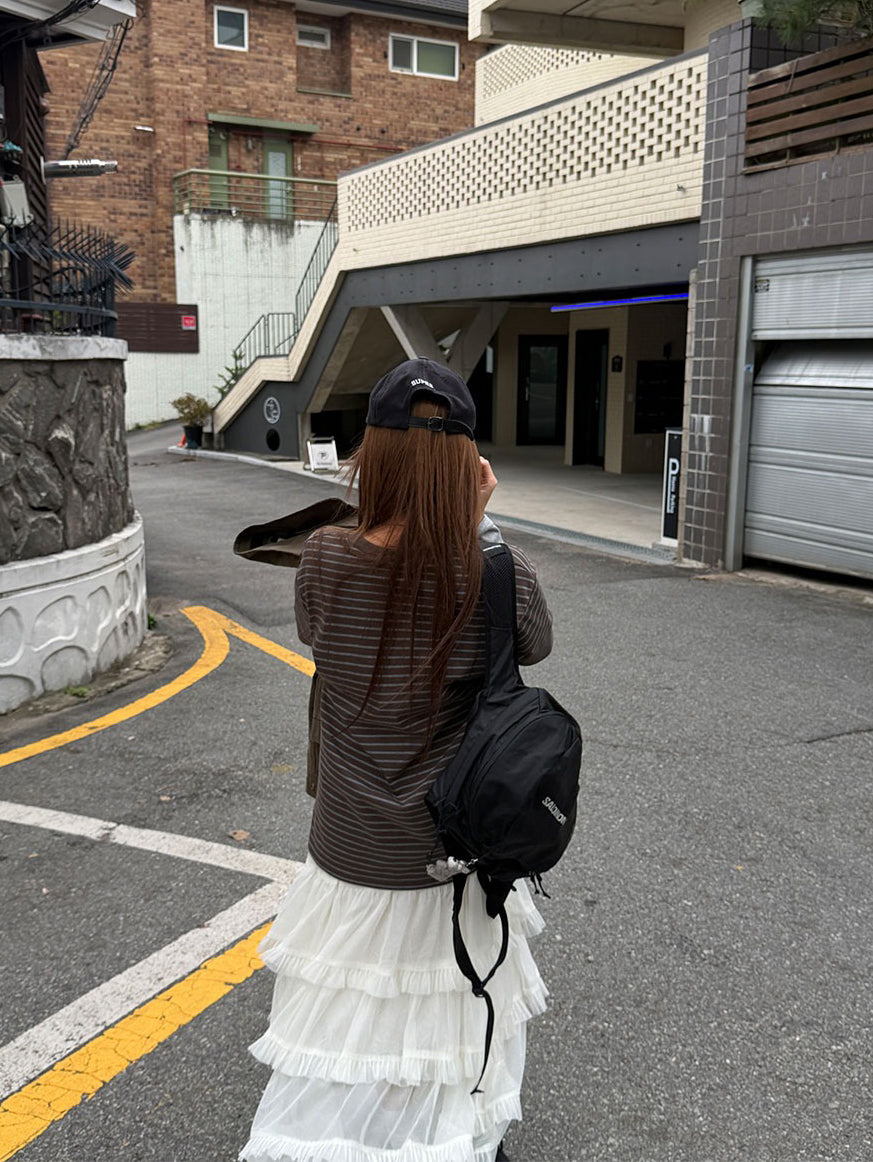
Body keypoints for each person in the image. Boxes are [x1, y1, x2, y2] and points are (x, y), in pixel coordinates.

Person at [240, 357, 553, 1162]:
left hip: (349, 846)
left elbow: (317, 631)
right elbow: (536, 644)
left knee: (353, 1022)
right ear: (467, 466)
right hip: (454, 854)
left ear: (371, 455)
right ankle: (447, 1143)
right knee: (447, 1016)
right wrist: (481, 528)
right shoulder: (493, 571)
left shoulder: (325, 558)